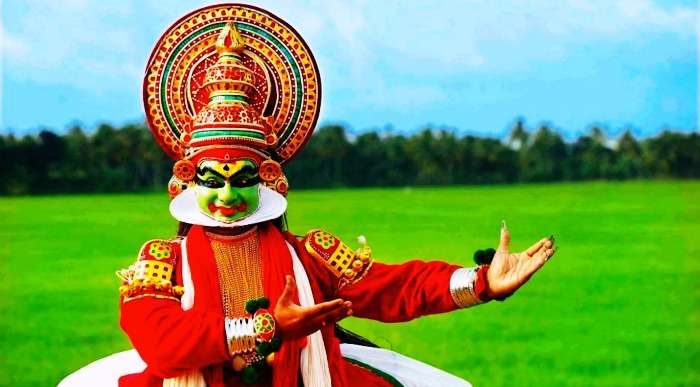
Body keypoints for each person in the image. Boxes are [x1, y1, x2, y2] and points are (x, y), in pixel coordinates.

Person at [59, 4, 555, 387]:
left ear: (269, 179)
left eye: (243, 178)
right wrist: (265, 329)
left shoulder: (308, 254)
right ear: (187, 180)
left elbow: (393, 288)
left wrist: (482, 282)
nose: (228, 193)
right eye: (213, 179)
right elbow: (163, 343)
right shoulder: (159, 261)